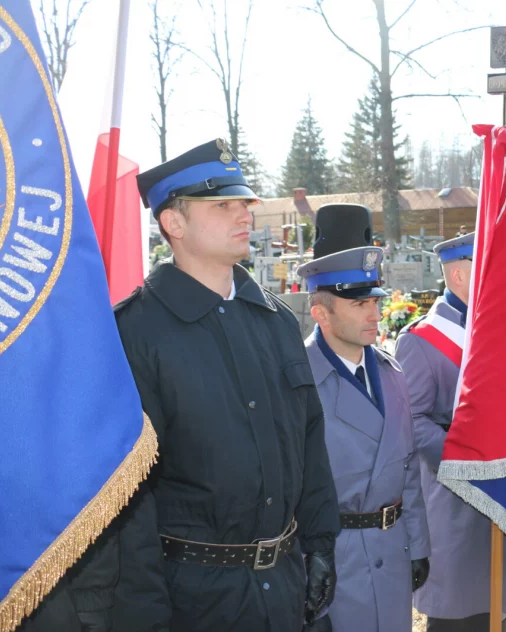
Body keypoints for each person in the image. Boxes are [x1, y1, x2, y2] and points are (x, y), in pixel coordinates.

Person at [114, 139, 341, 631]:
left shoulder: (276, 322)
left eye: (244, 203)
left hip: (284, 585)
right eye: (222, 205)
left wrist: (321, 545)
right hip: (194, 598)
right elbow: (130, 496)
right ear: (173, 223)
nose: (244, 214)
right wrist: (143, 612)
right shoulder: (135, 332)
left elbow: (309, 440)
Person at [298, 211, 431, 631]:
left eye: (375, 301)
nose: (375, 314)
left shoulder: (392, 373)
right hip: (333, 564)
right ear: (321, 314)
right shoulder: (297, 383)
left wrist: (418, 545)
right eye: (359, 304)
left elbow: (409, 470)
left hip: (392, 554)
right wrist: (301, 569)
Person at [395, 234, 506, 631]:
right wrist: (467, 461)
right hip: (455, 491)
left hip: (504, 486)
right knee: (456, 610)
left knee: (493, 601)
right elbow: (413, 421)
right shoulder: (421, 339)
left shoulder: (499, 328)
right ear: (457, 275)